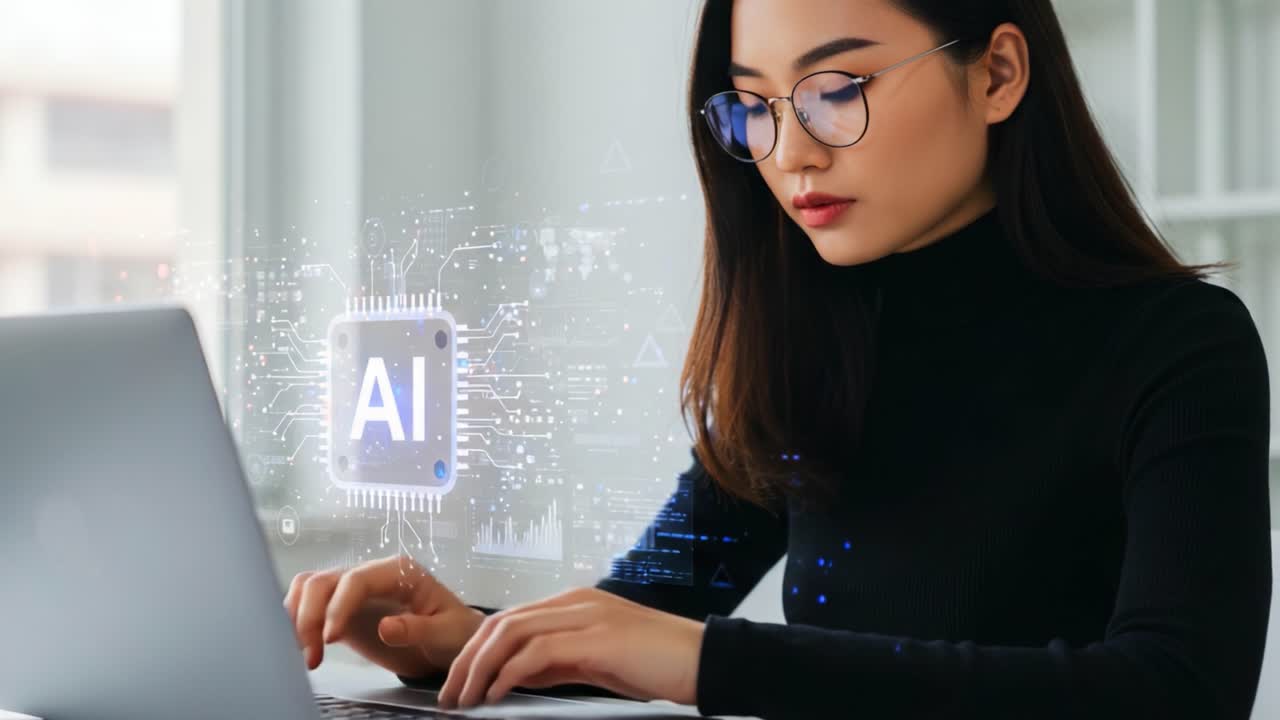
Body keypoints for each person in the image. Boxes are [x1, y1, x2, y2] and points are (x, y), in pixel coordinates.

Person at [284, 1, 1273, 717]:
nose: (789, 152)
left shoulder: (1178, 345)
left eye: (835, 91)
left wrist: (712, 663)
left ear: (997, 74)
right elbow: (643, 619)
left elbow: (1175, 691)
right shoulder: (812, 344)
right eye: (753, 106)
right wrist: (458, 639)